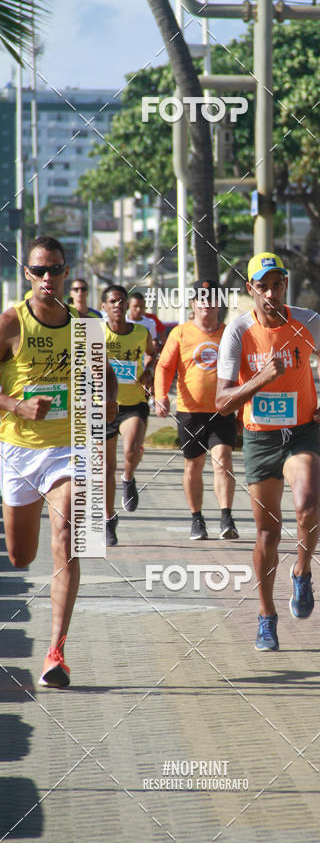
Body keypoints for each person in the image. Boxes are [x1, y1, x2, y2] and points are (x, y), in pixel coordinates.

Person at [0, 236, 117, 687]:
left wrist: (104, 406)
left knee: (68, 535)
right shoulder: (11, 323)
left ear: (68, 272)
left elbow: (104, 380)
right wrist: (17, 407)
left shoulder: (85, 328)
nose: (48, 279)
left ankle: (56, 653)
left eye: (56, 270)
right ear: (27, 274)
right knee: (20, 554)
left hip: (70, 448)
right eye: (39, 271)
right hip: (17, 449)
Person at [216, 252, 320, 651]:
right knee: (267, 534)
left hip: (301, 431)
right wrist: (262, 378)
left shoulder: (307, 322)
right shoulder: (238, 332)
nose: (271, 293)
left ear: (286, 285)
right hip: (260, 438)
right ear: (250, 289)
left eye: (277, 284)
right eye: (262, 286)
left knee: (308, 507)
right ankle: (266, 616)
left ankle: (302, 571)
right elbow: (222, 402)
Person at [154, 280, 239, 540]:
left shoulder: (230, 332)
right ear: (193, 304)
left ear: (218, 305)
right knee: (193, 465)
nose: (206, 304)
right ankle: (197, 519)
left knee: (223, 459)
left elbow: (244, 369)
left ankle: (226, 517)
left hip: (222, 409)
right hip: (189, 412)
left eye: (211, 299)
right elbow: (164, 367)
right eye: (201, 299)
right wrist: (161, 397)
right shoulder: (180, 333)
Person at [102, 285, 155, 546]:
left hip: (134, 402)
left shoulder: (141, 332)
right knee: (106, 468)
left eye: (121, 301)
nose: (118, 305)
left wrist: (148, 371)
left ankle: (129, 477)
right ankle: (109, 519)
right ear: (103, 307)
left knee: (132, 450)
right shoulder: (95, 333)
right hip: (105, 406)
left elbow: (151, 355)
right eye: (112, 301)